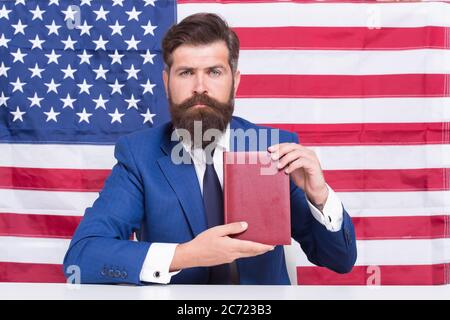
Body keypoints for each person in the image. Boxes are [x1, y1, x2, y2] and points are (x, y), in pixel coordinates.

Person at [63, 13, 357, 285]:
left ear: (235, 81)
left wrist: (319, 197)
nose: (200, 87)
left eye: (214, 72)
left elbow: (339, 261)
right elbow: (83, 256)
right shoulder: (140, 156)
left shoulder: (274, 150)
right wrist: (187, 255)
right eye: (186, 72)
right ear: (166, 82)